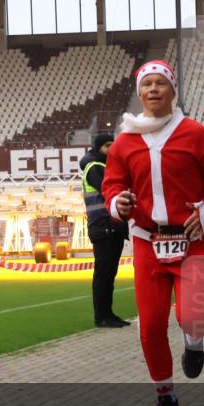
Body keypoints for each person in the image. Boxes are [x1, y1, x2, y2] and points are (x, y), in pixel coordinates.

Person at [103, 60, 204, 406]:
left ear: (173, 90)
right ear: (139, 92)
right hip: (147, 241)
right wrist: (119, 202)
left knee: (192, 316)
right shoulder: (124, 141)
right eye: (147, 84)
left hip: (189, 240)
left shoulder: (197, 134)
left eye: (161, 83)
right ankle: (165, 396)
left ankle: (194, 343)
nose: (153, 90)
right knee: (150, 324)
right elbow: (111, 184)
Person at [79, 133, 131, 328]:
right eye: (107, 146)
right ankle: (102, 316)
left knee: (108, 274)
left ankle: (107, 314)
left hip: (110, 226)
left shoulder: (102, 167)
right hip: (104, 226)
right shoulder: (96, 168)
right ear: (98, 148)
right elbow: (110, 191)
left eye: (113, 145)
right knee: (104, 275)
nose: (111, 149)